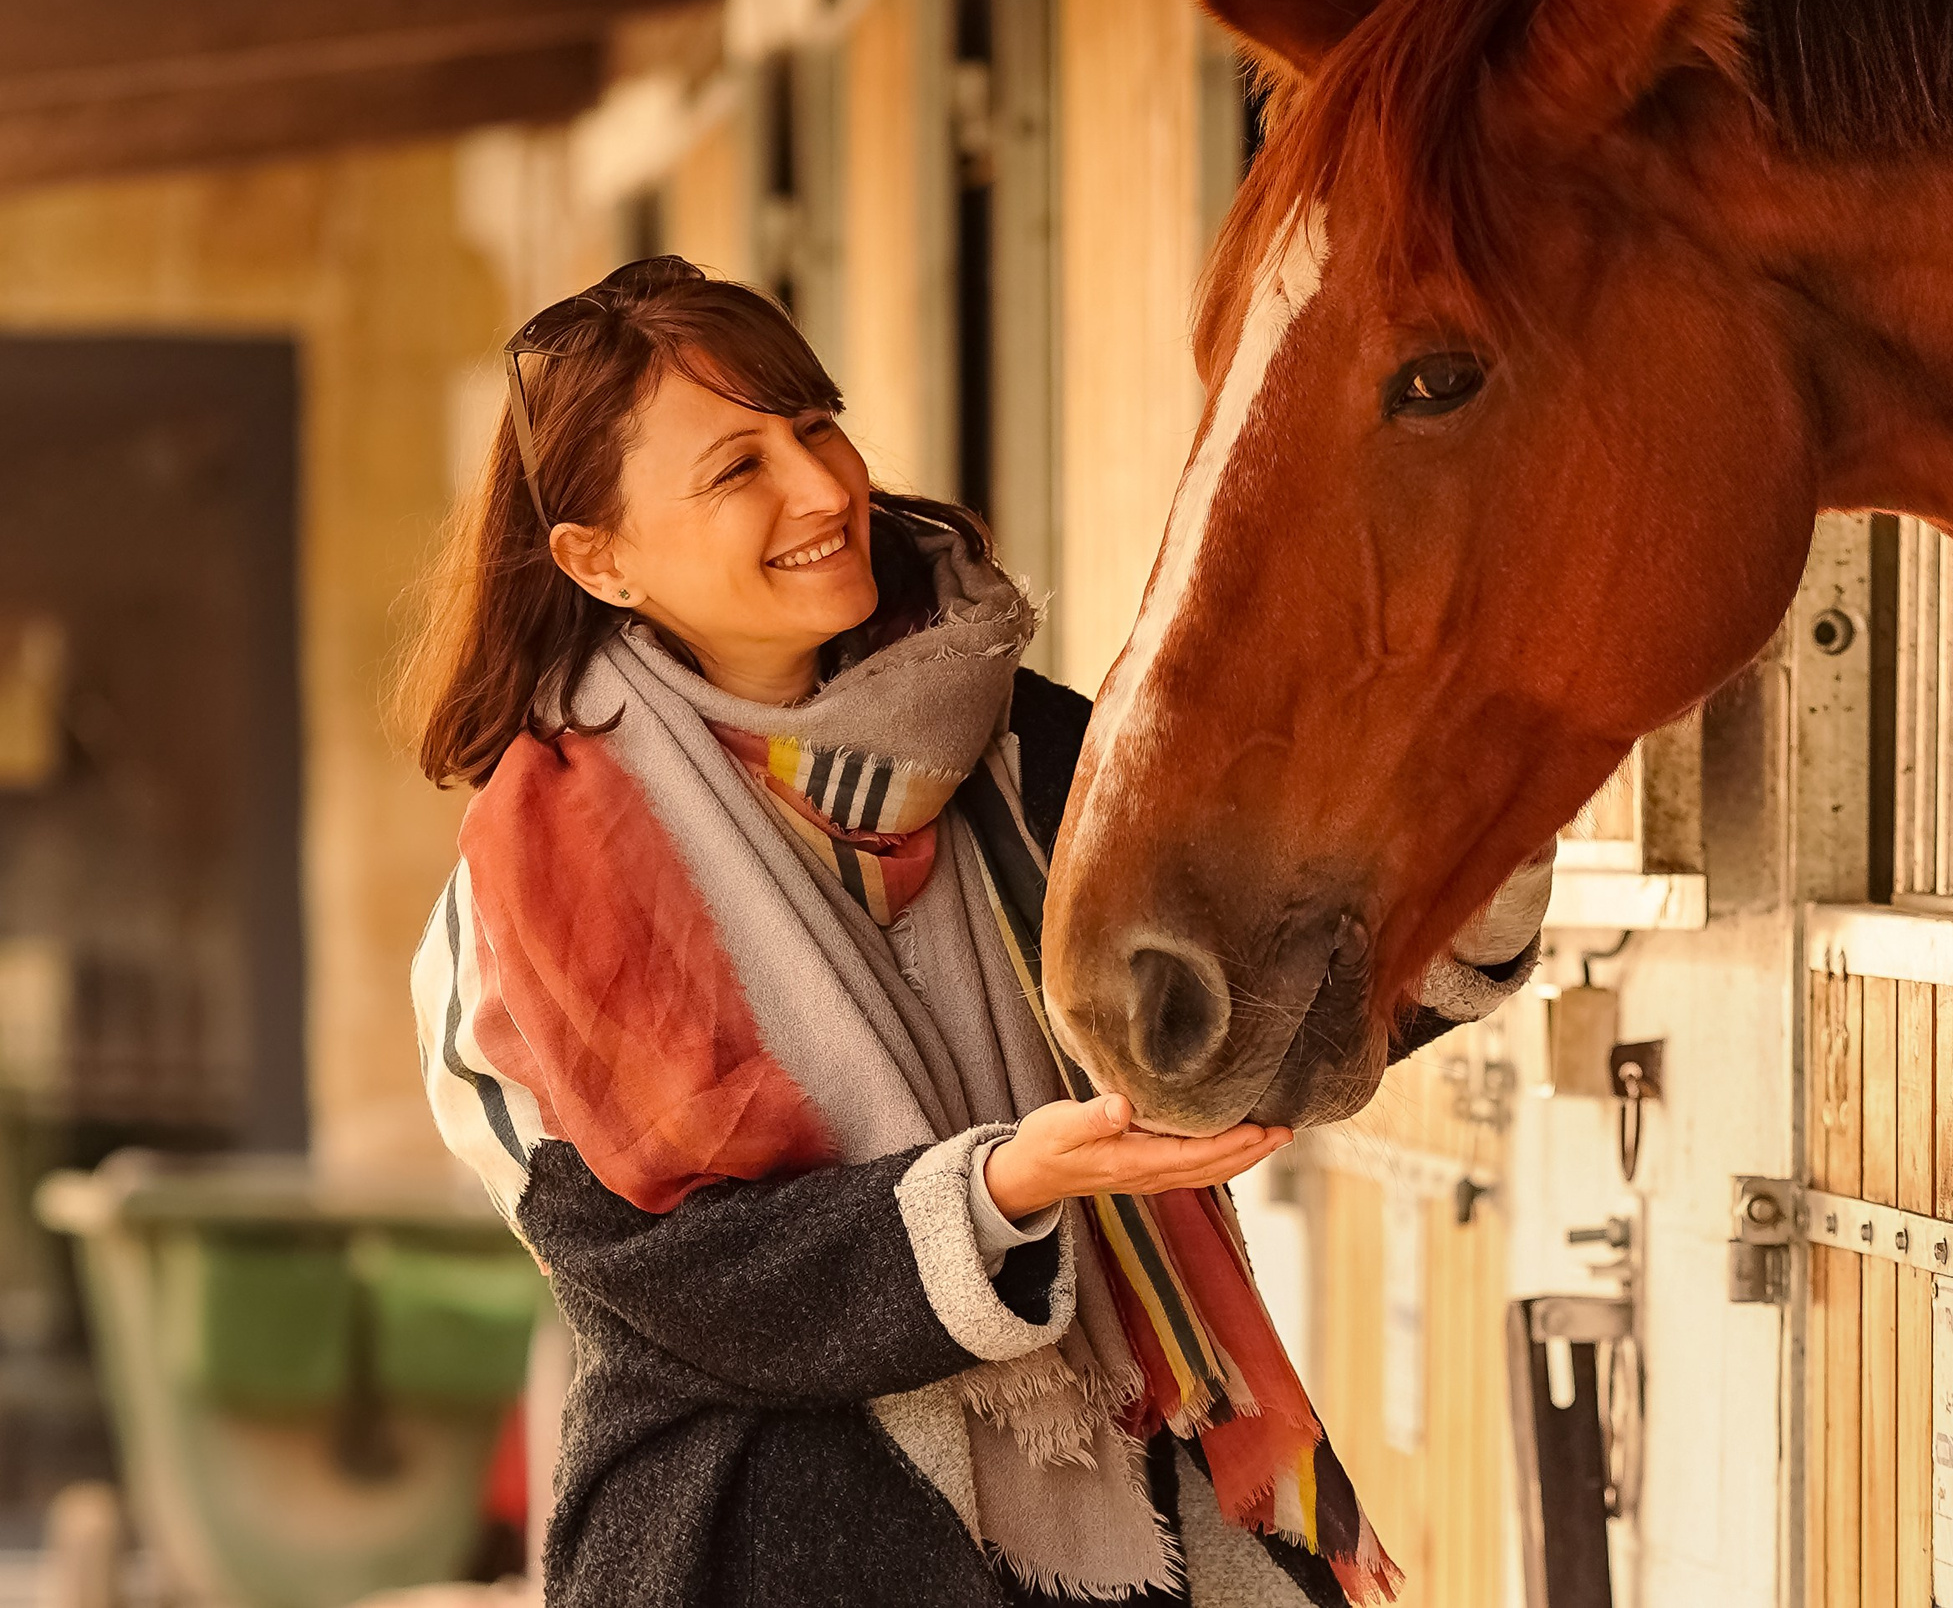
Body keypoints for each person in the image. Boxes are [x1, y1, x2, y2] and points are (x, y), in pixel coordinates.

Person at [400, 257, 1550, 1608]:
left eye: (814, 424)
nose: (823, 489)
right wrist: (998, 1191)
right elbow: (665, 1281)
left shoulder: (1013, 747)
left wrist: (1478, 840)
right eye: (736, 470)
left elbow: (1259, 987)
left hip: (1137, 1523)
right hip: (756, 1545)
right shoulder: (538, 881)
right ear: (599, 561)